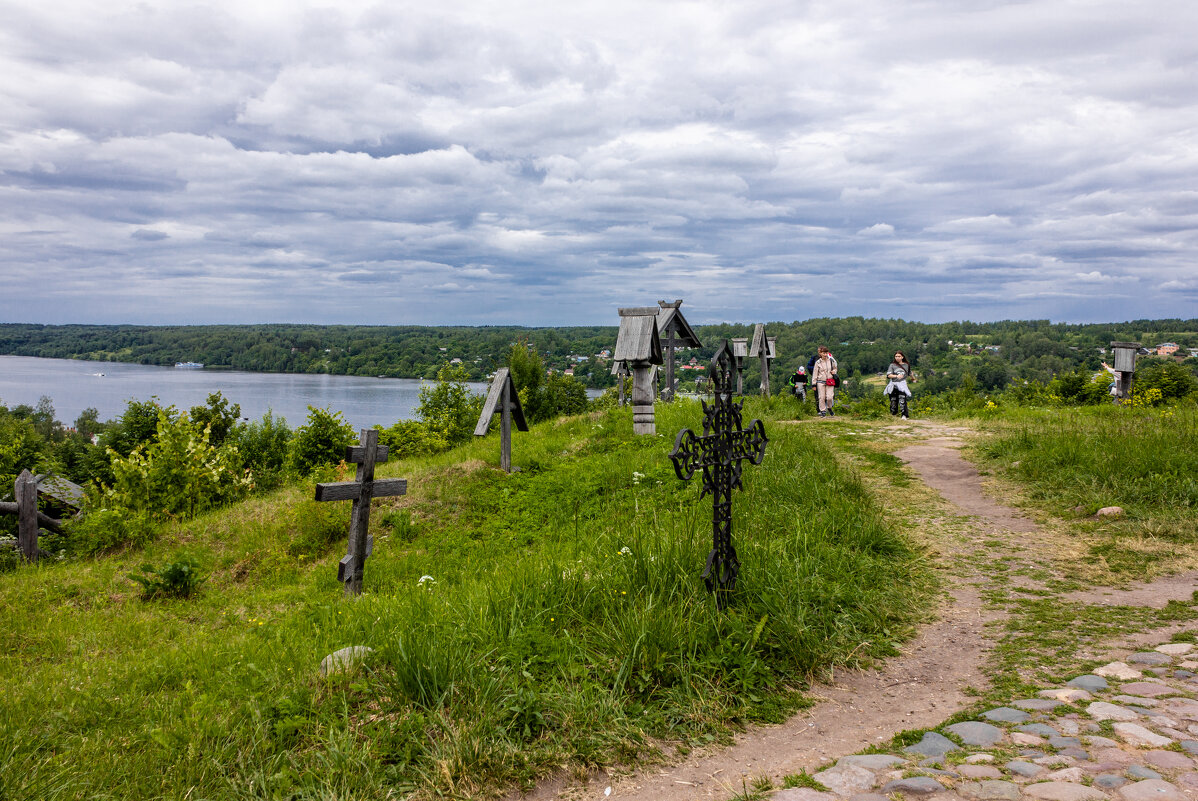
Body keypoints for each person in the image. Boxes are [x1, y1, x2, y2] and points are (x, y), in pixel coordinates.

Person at [884, 350, 914, 419]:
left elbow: (909, 373)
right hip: (893, 385)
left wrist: (913, 378)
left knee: (902, 399)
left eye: (899, 356)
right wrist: (896, 376)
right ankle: (893, 416)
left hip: (902, 384)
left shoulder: (906, 365)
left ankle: (904, 415)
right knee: (893, 401)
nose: (897, 358)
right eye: (896, 356)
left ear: (902, 357)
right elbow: (889, 375)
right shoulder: (892, 365)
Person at [811, 346, 838, 417]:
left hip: (830, 381)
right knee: (821, 397)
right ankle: (823, 411)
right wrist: (813, 384)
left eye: (826, 353)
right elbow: (815, 373)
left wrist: (834, 371)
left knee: (829, 397)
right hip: (820, 381)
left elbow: (835, 368)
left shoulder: (831, 360)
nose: (825, 354)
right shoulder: (818, 362)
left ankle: (829, 407)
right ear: (820, 353)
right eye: (824, 353)